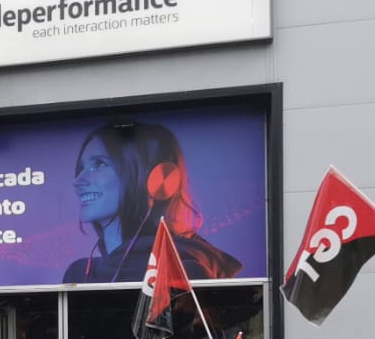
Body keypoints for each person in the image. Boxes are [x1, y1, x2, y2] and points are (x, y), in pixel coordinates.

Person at [61, 121, 243, 284]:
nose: (77, 181)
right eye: (82, 168)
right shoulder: (80, 274)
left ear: (153, 180)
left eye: (99, 164)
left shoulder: (183, 271)